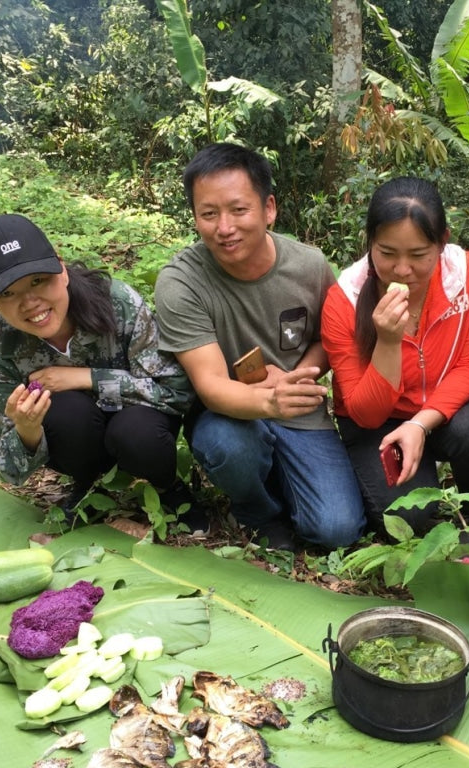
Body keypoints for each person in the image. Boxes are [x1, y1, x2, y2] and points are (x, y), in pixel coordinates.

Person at [153, 143, 366, 551]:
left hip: (297, 405)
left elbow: (327, 338)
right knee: (228, 447)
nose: (224, 227)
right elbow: (211, 385)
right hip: (229, 414)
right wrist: (270, 401)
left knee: (336, 531)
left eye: (238, 210)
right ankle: (255, 509)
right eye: (208, 214)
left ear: (269, 208)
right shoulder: (181, 283)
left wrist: (295, 380)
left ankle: (286, 480)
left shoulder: (309, 266)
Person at [0, 213, 203, 525]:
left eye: (38, 281)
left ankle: (167, 486)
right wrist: (27, 430)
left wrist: (88, 379)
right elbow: (8, 470)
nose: (30, 302)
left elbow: (175, 393)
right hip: (77, 438)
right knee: (64, 411)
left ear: (61, 270)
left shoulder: (118, 304)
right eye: (8, 294)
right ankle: (89, 487)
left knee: (136, 432)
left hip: (138, 428)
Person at [321, 177, 469, 536]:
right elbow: (365, 413)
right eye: (387, 253)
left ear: (442, 241)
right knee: (410, 519)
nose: (402, 269)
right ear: (370, 242)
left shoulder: (468, 275)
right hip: (379, 426)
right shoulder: (343, 300)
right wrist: (388, 342)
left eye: (419, 255)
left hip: (442, 412)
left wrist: (421, 423)